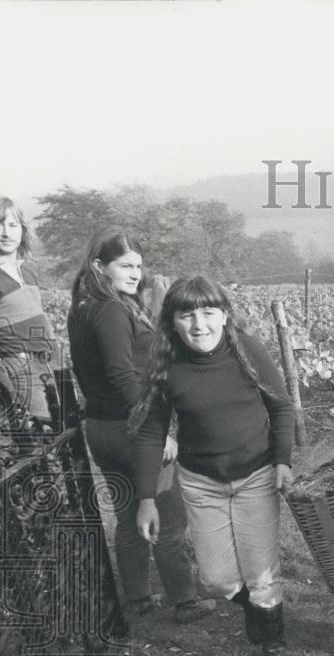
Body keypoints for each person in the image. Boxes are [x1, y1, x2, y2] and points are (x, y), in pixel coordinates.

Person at [130, 276, 295, 656]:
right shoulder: (167, 366)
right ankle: (260, 610)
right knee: (217, 580)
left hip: (257, 474)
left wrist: (283, 461)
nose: (199, 324)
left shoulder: (248, 351)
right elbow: (152, 433)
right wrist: (147, 498)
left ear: (224, 315)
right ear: (172, 322)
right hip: (202, 482)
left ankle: (272, 648)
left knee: (261, 573)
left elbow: (281, 407)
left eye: (208, 312)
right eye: (187, 315)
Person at [68, 231, 217, 624]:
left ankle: (137, 599)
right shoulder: (112, 310)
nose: (135, 273)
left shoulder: (83, 306)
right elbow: (121, 373)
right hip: (132, 429)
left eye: (138, 265)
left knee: (129, 516)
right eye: (125, 265)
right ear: (100, 266)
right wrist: (155, 427)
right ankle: (184, 601)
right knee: (167, 516)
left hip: (100, 429)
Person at [0, 195, 60, 422]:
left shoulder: (28, 270)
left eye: (13, 225)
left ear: (22, 230)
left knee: (68, 440)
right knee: (39, 445)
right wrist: (8, 397)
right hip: (20, 371)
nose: (7, 233)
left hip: (51, 366)